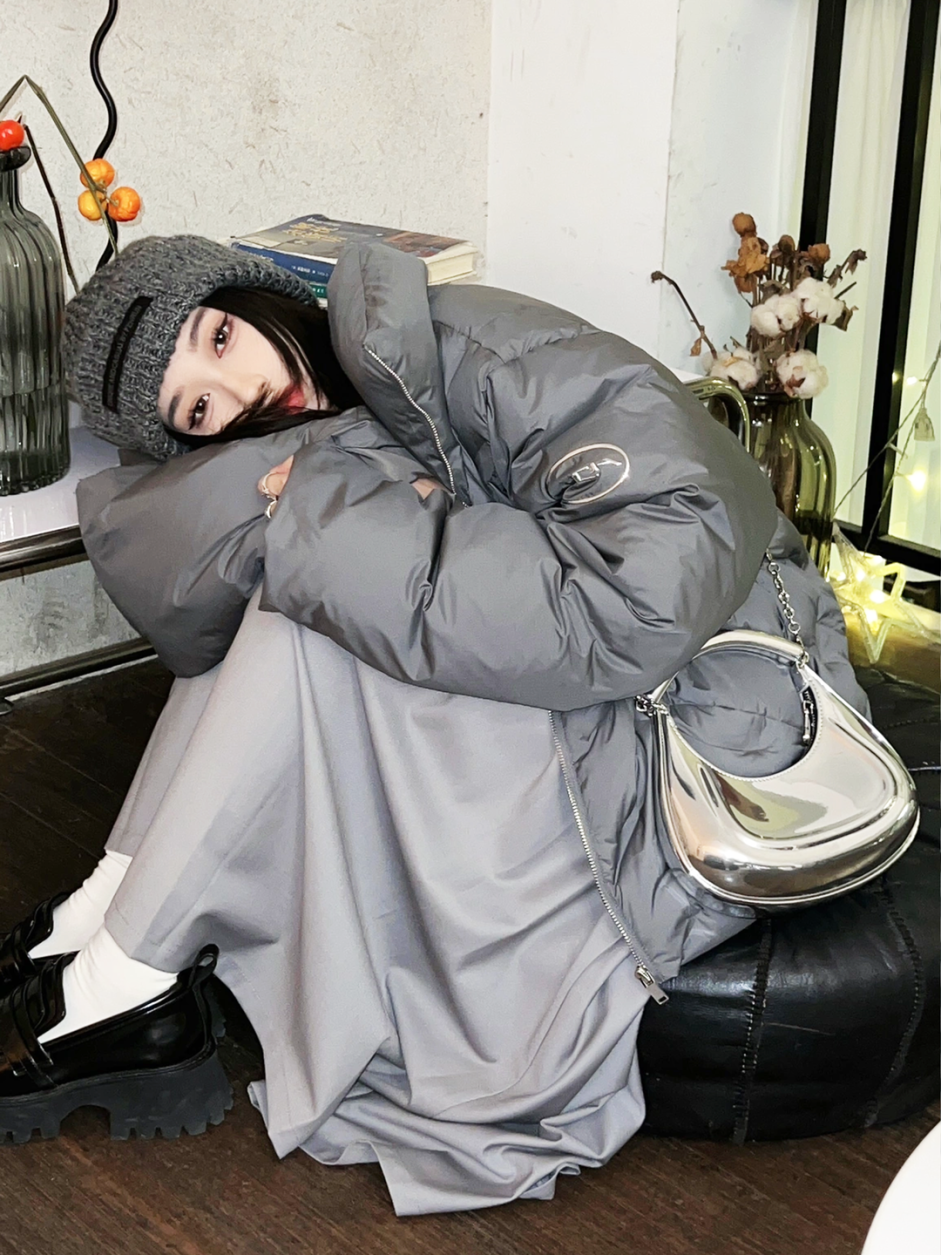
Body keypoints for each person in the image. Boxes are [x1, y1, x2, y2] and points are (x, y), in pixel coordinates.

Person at [0, 235, 864, 1213]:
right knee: (302, 568)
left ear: (254, 295)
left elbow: (645, 604)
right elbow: (199, 595)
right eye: (197, 410)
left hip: (720, 712)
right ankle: (108, 918)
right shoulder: (327, 436)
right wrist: (366, 525)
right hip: (584, 692)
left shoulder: (468, 350)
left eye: (220, 338)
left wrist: (376, 531)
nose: (239, 391)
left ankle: (119, 979)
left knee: (313, 578)